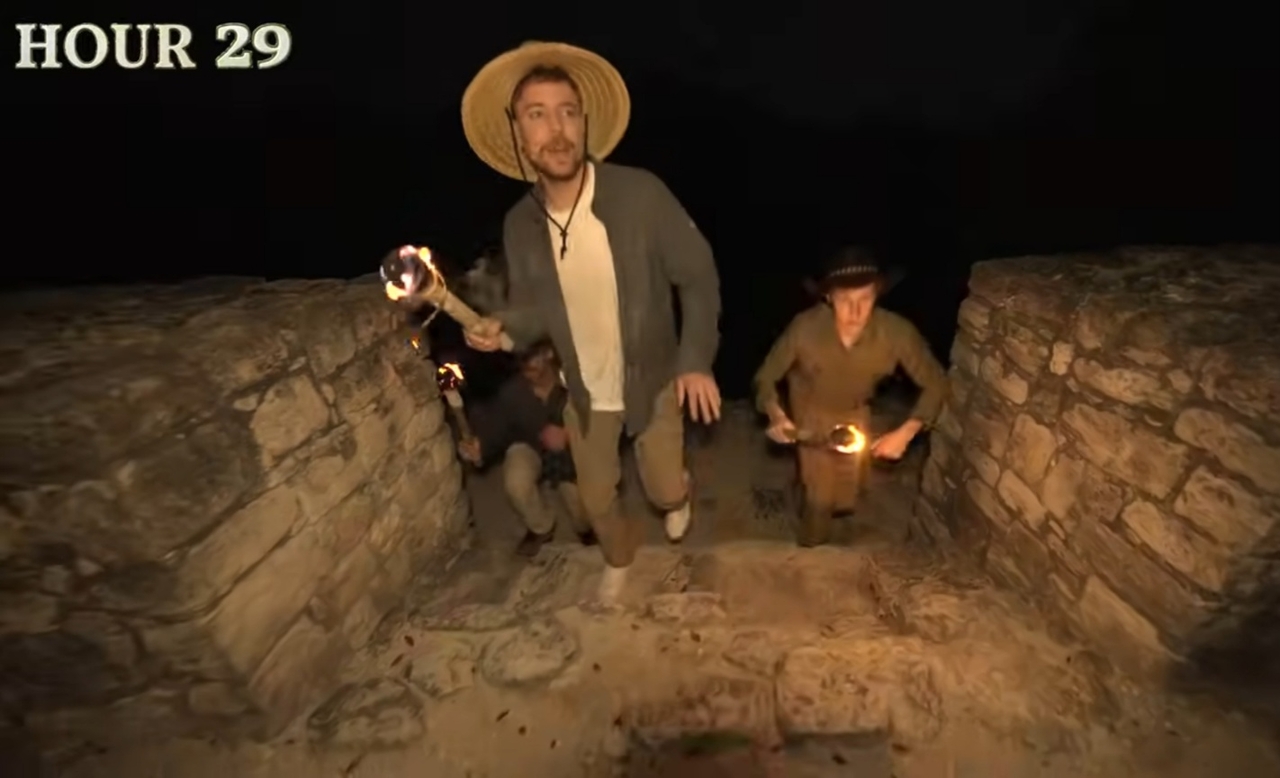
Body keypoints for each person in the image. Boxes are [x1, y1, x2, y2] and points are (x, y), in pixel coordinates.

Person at [459, 41, 722, 608]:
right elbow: (534, 310)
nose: (557, 130)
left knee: (662, 488)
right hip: (582, 389)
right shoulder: (520, 224)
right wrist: (502, 328)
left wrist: (695, 360)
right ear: (518, 135)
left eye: (568, 112)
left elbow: (697, 276)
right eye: (537, 115)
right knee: (598, 498)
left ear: (584, 122)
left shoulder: (640, 194)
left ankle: (678, 496)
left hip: (652, 375)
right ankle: (620, 560)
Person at [753, 247, 948, 547]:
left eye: (865, 299)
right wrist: (777, 415)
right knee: (821, 499)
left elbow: (936, 383)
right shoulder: (804, 328)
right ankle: (811, 552)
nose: (855, 312)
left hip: (855, 414)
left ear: (877, 295)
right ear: (828, 297)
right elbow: (765, 377)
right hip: (810, 412)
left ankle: (803, 487)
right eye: (845, 300)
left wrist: (906, 433)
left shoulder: (896, 332)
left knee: (846, 496)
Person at [458, 341, 592, 556]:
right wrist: (481, 446)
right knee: (517, 481)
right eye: (521, 360)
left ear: (548, 353)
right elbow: (498, 426)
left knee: (583, 512)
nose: (526, 366)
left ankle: (586, 530)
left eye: (531, 357)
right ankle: (542, 527)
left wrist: (569, 435)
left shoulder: (573, 379)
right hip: (530, 444)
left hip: (570, 451)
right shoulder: (513, 389)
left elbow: (601, 422)